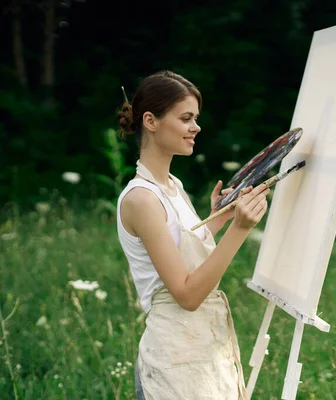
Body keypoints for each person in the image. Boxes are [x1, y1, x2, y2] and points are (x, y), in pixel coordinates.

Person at [116, 70, 269, 399]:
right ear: (151, 121)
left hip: (199, 354)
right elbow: (186, 295)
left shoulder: (172, 186)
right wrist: (240, 230)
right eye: (186, 118)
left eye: (195, 118)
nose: (196, 127)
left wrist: (219, 220)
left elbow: (179, 249)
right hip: (173, 365)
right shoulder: (141, 199)